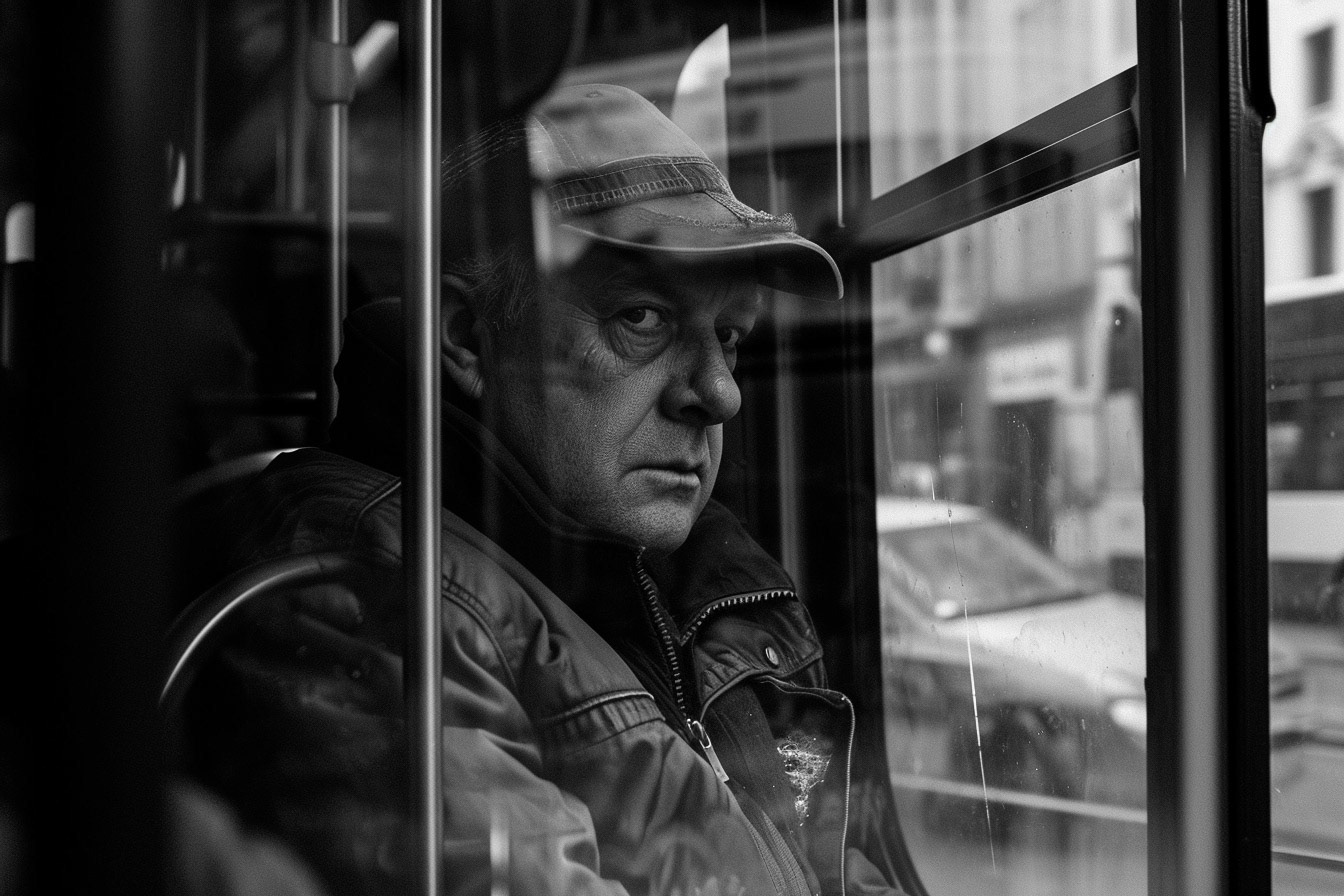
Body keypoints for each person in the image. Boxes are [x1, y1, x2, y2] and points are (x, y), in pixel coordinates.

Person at [186, 84, 904, 896]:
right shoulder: (363, 589)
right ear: (467, 339)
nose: (721, 394)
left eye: (729, 337)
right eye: (643, 318)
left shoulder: (695, 580)